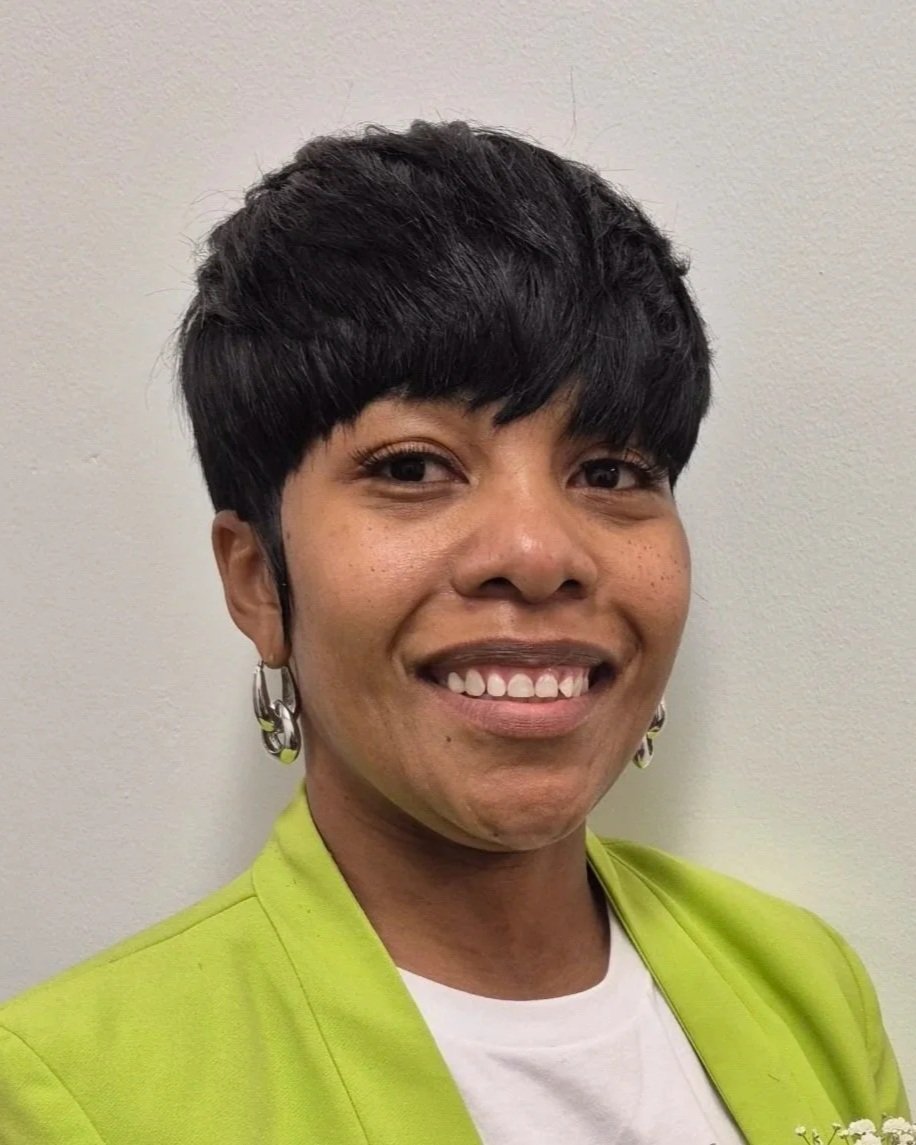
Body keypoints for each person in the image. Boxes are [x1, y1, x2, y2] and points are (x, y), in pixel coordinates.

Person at [0, 120, 908, 1145]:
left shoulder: (802, 981)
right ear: (258, 582)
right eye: (412, 467)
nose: (537, 551)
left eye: (610, 472)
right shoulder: (68, 1095)